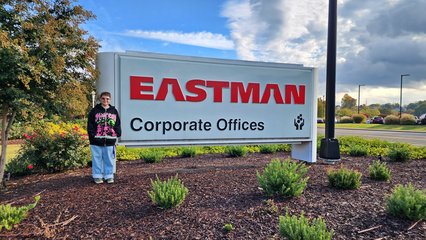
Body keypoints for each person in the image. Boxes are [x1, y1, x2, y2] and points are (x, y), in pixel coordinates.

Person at [87, 91, 121, 184]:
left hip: (110, 140)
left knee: (109, 159)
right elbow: (90, 125)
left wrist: (118, 133)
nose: (105, 100)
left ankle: (109, 175)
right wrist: (92, 136)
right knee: (97, 158)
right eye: (103, 98)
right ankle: (97, 176)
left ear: (110, 100)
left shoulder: (114, 111)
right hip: (96, 140)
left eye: (107, 99)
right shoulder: (94, 111)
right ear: (100, 99)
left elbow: (117, 123)